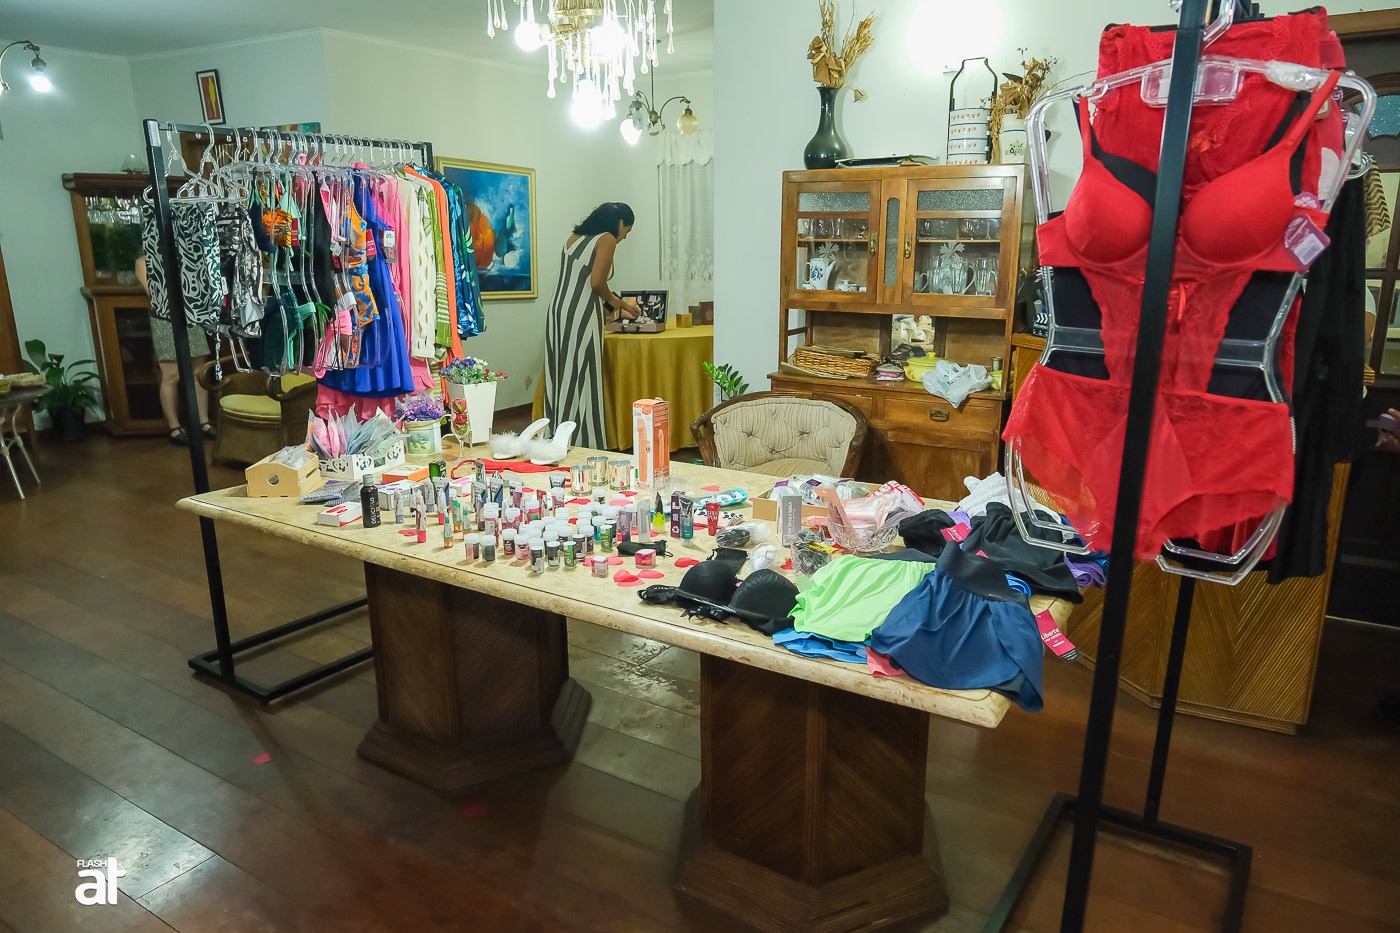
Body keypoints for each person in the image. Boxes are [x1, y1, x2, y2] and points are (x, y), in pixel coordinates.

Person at [543, 202, 640, 450]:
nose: (624, 237)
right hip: (581, 313)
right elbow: (597, 283)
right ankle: (582, 441)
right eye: (627, 231)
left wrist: (618, 304)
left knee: (561, 373)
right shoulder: (606, 239)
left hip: (558, 311)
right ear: (620, 223)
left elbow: (584, 280)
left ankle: (556, 434)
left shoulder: (574, 238)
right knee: (583, 373)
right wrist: (618, 303)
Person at [133, 255, 214, 446]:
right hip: (164, 319)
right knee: (171, 375)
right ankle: (174, 425)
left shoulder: (186, 256)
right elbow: (156, 294)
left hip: (192, 316)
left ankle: (203, 421)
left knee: (198, 373)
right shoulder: (143, 262)